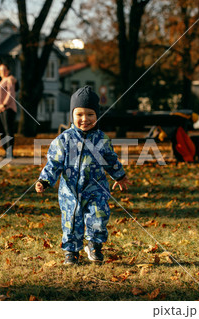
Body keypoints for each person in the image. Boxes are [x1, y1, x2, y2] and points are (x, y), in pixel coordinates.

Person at [35, 86, 131, 265]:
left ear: (97, 116)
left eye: (90, 114)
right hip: (70, 191)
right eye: (79, 114)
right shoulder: (63, 140)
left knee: (98, 216)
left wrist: (119, 176)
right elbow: (54, 163)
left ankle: (94, 246)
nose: (84, 119)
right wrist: (45, 180)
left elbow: (111, 160)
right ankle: (71, 251)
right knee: (71, 220)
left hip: (96, 189)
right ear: (72, 115)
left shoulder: (102, 139)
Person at [0, 63, 18, 158]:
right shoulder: (0, 81)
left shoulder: (9, 79)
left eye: (4, 70)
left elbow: (11, 93)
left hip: (8, 109)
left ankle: (10, 153)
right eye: (1, 70)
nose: (2, 72)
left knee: (8, 130)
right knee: (2, 131)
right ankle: (6, 152)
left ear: (8, 70)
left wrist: (5, 104)